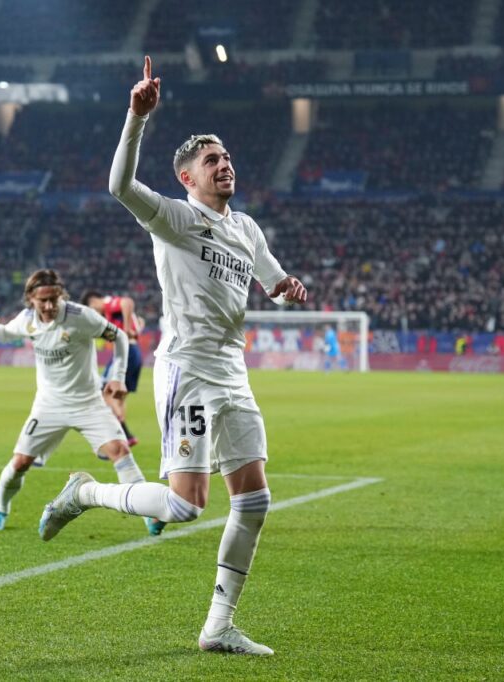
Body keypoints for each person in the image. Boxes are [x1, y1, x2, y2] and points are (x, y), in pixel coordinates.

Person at [38, 56, 307, 656]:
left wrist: (286, 286)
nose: (224, 164)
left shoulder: (247, 229)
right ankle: (84, 492)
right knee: (186, 505)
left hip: (233, 373)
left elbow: (271, 279)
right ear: (187, 177)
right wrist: (136, 117)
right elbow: (119, 187)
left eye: (226, 156)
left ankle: (218, 626)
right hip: (189, 371)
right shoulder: (176, 218)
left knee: (254, 500)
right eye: (212, 160)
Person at [0, 269, 162, 536]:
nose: (49, 306)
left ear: (61, 295)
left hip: (88, 402)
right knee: (20, 463)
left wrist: (118, 377)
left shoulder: (80, 316)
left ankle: (149, 515)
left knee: (120, 450)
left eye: (54, 299)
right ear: (31, 299)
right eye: (43, 301)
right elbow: (4, 334)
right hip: (49, 405)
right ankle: (1, 508)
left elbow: (120, 336)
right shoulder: (27, 319)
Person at [80, 290, 143, 446]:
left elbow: (127, 301)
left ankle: (122, 435)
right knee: (118, 397)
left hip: (126, 353)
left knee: (105, 392)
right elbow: (139, 321)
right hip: (133, 352)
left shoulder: (107, 303)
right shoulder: (109, 315)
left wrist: (126, 329)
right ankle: (124, 437)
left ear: (93, 302)